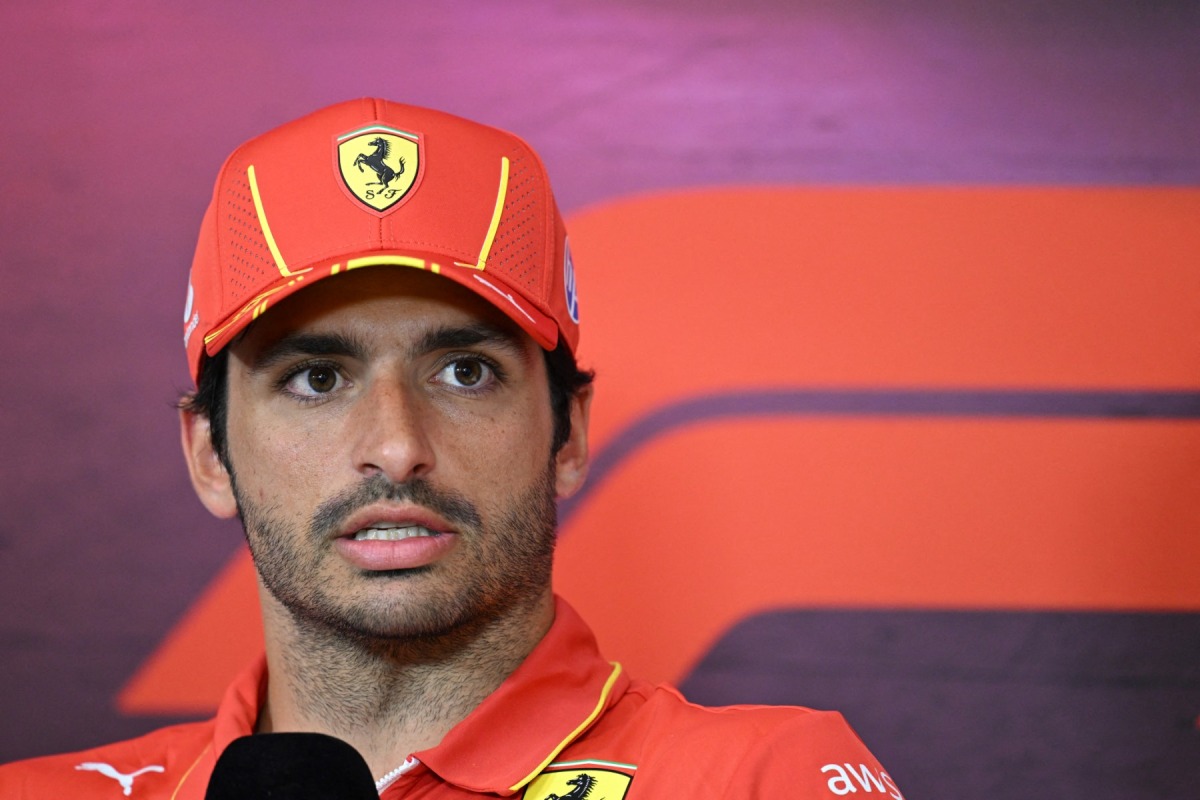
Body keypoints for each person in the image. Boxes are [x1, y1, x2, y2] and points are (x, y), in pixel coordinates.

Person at [0, 98, 903, 799]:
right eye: (316, 379)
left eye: (464, 372)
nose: (396, 448)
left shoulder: (759, 780)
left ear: (570, 434)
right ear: (209, 455)